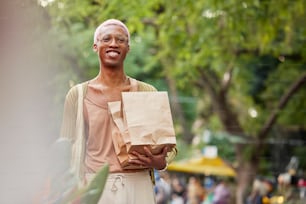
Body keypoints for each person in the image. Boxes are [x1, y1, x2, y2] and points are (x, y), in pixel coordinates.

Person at [60, 19, 177, 204]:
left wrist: (158, 162)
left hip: (139, 187)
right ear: (95, 46)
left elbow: (168, 149)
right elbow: (65, 149)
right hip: (94, 187)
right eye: (106, 39)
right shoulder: (77, 95)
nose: (113, 43)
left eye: (120, 40)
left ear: (128, 48)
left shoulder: (147, 92)